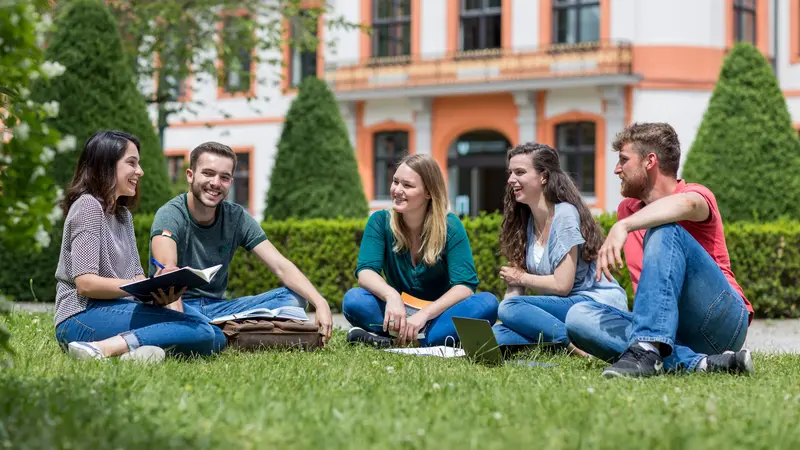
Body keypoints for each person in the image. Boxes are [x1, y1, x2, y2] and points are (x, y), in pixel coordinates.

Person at [565, 122, 754, 378]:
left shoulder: (696, 194)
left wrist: (624, 226)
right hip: (669, 333)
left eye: (624, 160)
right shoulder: (628, 209)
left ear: (650, 161)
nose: (616, 169)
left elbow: (687, 204)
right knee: (578, 317)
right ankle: (702, 363)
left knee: (664, 229)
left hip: (720, 322)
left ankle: (645, 349)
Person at [55, 130, 221, 363]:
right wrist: (137, 286)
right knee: (200, 331)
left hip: (119, 308)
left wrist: (158, 291)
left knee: (215, 335)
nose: (140, 171)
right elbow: (86, 284)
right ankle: (101, 348)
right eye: (131, 163)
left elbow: (136, 276)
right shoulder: (88, 207)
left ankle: (135, 352)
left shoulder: (123, 216)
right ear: (106, 165)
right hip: (80, 316)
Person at [149, 141, 333, 348]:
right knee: (185, 318)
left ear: (231, 181)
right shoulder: (170, 214)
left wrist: (320, 302)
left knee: (295, 298)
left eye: (224, 177)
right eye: (208, 173)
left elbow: (280, 265)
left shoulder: (236, 217)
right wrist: (180, 325)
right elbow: (168, 272)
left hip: (219, 308)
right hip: (179, 304)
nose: (215, 183)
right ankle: (222, 330)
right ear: (190, 175)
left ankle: (216, 330)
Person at [342, 154, 498, 347]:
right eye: (395, 182)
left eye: (407, 185)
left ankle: (392, 339)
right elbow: (365, 272)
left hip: (438, 315)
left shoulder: (450, 226)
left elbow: (465, 286)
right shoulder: (380, 221)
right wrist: (391, 296)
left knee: (488, 303)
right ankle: (426, 339)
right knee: (354, 300)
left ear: (429, 193)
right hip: (398, 311)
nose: (397, 190)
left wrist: (424, 314)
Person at [490, 143, 628, 354]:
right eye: (510, 173)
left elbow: (562, 285)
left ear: (543, 176)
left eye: (520, 172)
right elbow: (515, 287)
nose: (510, 179)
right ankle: (563, 339)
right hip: (561, 307)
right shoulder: (523, 221)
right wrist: (510, 319)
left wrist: (520, 282)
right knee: (499, 333)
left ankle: (573, 347)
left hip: (592, 303)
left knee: (509, 308)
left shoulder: (564, 215)